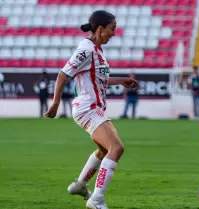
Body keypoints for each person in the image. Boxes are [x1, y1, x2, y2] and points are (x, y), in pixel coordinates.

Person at [44, 10, 138, 209]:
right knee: (116, 148)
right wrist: (55, 103)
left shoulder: (97, 50)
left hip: (94, 108)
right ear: (101, 29)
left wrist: (121, 81)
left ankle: (79, 185)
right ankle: (96, 200)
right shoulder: (86, 49)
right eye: (112, 29)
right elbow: (63, 75)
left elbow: (98, 79)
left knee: (104, 150)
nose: (114, 33)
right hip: (88, 108)